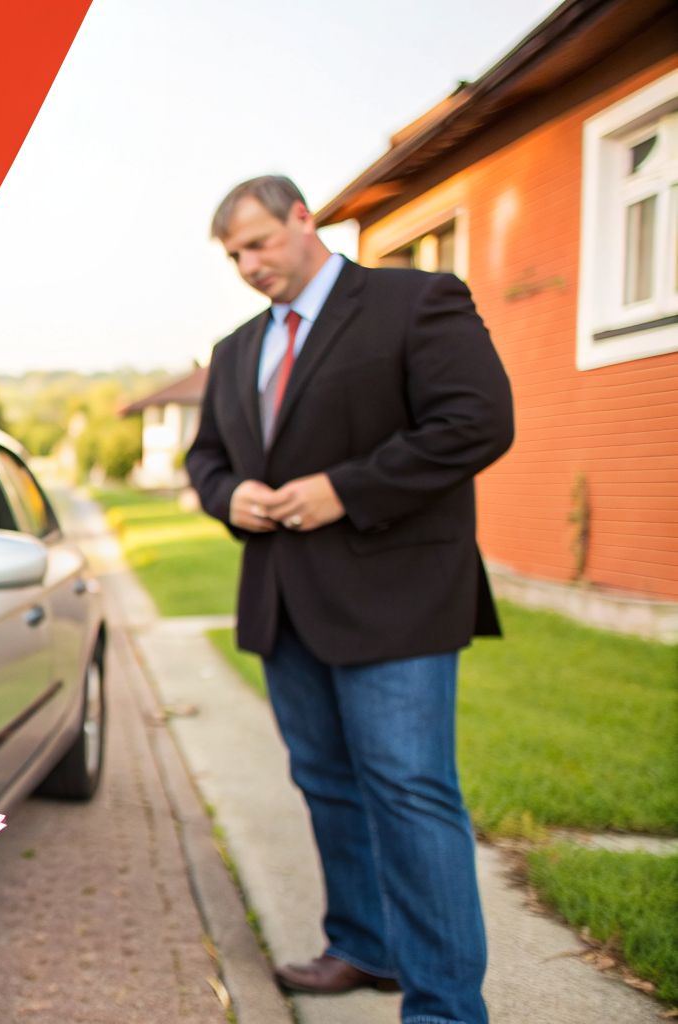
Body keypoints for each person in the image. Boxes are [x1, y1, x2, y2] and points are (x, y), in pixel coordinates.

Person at [186, 176, 514, 1024]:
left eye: (259, 243)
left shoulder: (416, 301)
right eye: (234, 255)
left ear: (303, 219)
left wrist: (345, 489)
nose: (248, 265)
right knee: (327, 783)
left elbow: (476, 422)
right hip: (283, 603)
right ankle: (365, 946)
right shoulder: (234, 349)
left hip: (396, 599)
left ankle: (445, 1008)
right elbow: (207, 458)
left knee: (410, 793)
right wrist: (229, 496)